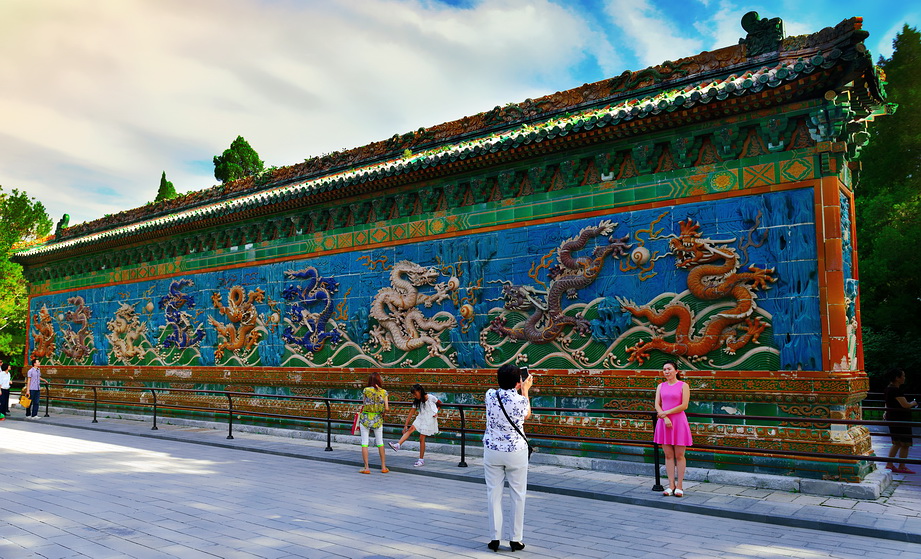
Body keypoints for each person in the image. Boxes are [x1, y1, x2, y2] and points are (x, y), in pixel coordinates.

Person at [482, 363, 532, 552]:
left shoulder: (489, 395)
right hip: (515, 452)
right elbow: (527, 415)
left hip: (492, 450)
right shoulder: (520, 401)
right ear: (518, 381)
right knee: (518, 495)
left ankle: (495, 538)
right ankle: (515, 539)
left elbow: (502, 393)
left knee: (493, 494)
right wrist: (525, 390)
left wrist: (517, 386)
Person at [654, 360, 693, 497]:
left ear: (676, 371)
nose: (666, 371)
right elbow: (657, 404)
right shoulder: (661, 386)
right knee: (668, 455)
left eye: (669, 369)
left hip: (679, 422)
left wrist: (666, 413)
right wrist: (665, 417)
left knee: (679, 455)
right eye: (664, 369)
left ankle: (680, 486)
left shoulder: (683, 386)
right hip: (664, 422)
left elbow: (684, 405)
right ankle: (671, 485)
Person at [389, 384, 441, 467]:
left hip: (430, 418)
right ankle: (398, 445)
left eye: (415, 394)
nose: (414, 396)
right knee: (411, 429)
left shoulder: (430, 397)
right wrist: (406, 425)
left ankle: (421, 460)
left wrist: (436, 412)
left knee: (421, 438)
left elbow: (439, 403)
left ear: (419, 391)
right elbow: (411, 412)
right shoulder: (417, 401)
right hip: (421, 416)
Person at [884, 368, 917, 474]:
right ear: (897, 378)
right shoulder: (896, 390)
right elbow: (905, 405)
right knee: (905, 443)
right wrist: (913, 403)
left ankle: (890, 464)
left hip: (894, 418)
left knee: (897, 443)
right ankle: (902, 466)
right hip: (901, 420)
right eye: (903, 376)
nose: (904, 378)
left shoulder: (889, 389)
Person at [358, 372, 390, 474]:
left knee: (364, 443)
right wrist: (383, 413)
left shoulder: (366, 390)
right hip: (377, 419)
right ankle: (383, 467)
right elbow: (387, 408)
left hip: (366, 418)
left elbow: (364, 403)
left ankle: (366, 468)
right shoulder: (384, 392)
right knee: (380, 442)